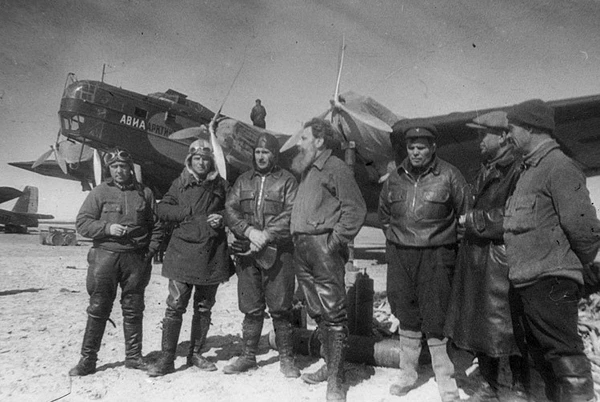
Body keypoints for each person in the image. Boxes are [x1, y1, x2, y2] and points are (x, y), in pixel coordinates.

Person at [503, 99, 600, 402]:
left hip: (551, 280)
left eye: (511, 129)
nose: (507, 136)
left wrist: (579, 265)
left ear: (531, 128)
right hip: (529, 280)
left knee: (563, 354)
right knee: (543, 357)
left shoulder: (559, 167)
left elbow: (583, 226)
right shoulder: (529, 171)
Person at [378, 122, 469, 402]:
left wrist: (446, 246)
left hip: (436, 254)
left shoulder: (450, 175)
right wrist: (398, 241)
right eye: (411, 147)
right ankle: (407, 374)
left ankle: (446, 379)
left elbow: (464, 217)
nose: (415, 152)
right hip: (401, 254)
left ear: (433, 147)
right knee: (406, 313)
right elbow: (384, 216)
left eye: (421, 147)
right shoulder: (395, 178)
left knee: (436, 315)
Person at [444, 112, 529, 402]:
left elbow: (515, 215)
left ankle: (521, 387)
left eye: (483, 134)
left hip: (501, 260)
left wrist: (474, 220)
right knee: (483, 326)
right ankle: (488, 385)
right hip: (480, 258)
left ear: (503, 136)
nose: (478, 140)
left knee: (512, 328)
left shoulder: (519, 169)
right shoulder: (488, 167)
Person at [290, 118, 366, 402]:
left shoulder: (336, 167)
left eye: (304, 138)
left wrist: (333, 243)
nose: (299, 143)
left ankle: (336, 380)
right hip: (302, 249)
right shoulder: (307, 169)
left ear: (319, 141)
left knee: (333, 315)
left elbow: (355, 209)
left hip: (323, 248)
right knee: (316, 310)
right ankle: (329, 364)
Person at [70, 149, 163, 376]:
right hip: (105, 258)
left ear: (130, 168)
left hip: (136, 259)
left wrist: (149, 251)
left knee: (134, 309)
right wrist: (107, 228)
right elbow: (82, 223)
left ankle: (133, 357)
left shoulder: (145, 193)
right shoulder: (99, 192)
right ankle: (88, 360)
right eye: (114, 167)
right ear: (109, 169)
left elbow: (157, 226)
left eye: (123, 166)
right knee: (98, 308)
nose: (119, 171)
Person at [148, 139, 231, 377]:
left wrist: (222, 217)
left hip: (211, 253)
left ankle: (195, 353)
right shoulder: (179, 183)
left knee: (203, 307)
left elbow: (235, 209)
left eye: (205, 159)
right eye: (197, 159)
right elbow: (162, 209)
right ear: (190, 160)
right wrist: (184, 213)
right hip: (182, 253)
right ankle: (167, 358)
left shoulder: (221, 185)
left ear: (211, 161)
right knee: (175, 307)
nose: (201, 163)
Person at [223, 132, 300, 377]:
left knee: (281, 308)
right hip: (248, 253)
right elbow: (230, 209)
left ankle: (287, 359)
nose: (261, 157)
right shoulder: (243, 180)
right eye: (257, 152)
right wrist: (248, 231)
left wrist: (266, 235)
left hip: (279, 254)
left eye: (265, 152)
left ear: (274, 155)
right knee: (251, 308)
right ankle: (248, 356)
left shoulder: (288, 181)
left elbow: (292, 213)